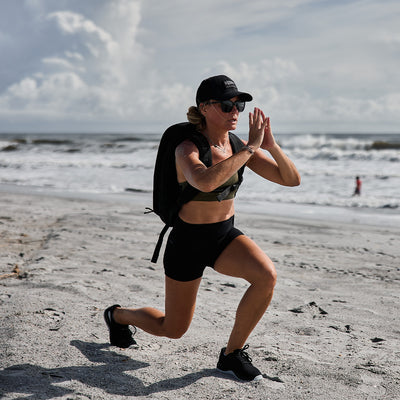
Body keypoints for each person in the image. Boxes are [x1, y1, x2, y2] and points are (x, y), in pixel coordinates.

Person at [104, 75, 301, 382]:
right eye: (226, 105)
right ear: (205, 108)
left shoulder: (237, 145)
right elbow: (205, 181)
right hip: (188, 243)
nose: (234, 111)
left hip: (224, 237)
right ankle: (118, 315)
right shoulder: (187, 148)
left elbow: (291, 180)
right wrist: (250, 149)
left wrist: (272, 147)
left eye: (239, 104)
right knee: (173, 329)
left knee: (266, 277)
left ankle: (231, 354)